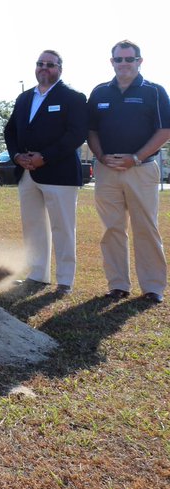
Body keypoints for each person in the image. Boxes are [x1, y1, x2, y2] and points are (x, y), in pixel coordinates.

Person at [86, 40, 170, 303]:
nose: (124, 64)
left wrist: (136, 158)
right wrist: (100, 157)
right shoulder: (99, 92)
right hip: (107, 171)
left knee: (145, 227)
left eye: (129, 59)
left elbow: (164, 131)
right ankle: (118, 285)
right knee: (112, 228)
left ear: (139, 61)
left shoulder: (154, 92)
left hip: (141, 170)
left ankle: (153, 287)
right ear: (112, 62)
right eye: (118, 60)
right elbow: (91, 131)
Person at [4, 50, 88, 293]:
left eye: (50, 64)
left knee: (62, 228)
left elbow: (76, 134)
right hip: (27, 172)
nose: (44, 68)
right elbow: (10, 131)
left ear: (60, 68)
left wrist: (45, 157)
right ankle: (38, 274)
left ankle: (64, 280)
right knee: (33, 226)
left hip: (59, 173)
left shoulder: (73, 97)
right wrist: (17, 156)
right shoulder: (24, 98)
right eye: (40, 64)